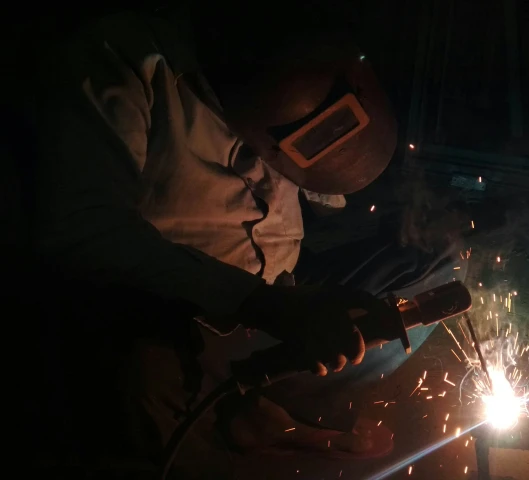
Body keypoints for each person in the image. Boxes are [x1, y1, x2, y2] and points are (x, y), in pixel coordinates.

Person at [31, 9, 466, 479]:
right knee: (135, 384)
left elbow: (331, 180)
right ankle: (232, 410)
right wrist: (256, 304)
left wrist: (292, 302)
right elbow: (79, 228)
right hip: (184, 315)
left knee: (436, 266)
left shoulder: (308, 54)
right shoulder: (122, 57)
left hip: (282, 292)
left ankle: (257, 396)